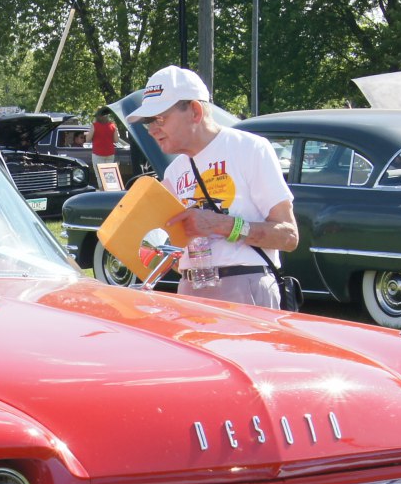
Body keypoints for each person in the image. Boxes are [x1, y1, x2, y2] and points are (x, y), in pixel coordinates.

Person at [127, 64, 298, 308]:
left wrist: (221, 224)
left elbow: (289, 236)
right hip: (190, 290)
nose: (153, 130)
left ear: (195, 111)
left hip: (243, 287)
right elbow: (171, 248)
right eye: (148, 122)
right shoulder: (174, 170)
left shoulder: (249, 148)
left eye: (160, 118)